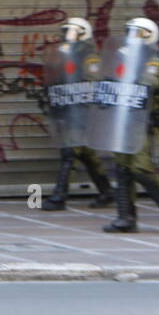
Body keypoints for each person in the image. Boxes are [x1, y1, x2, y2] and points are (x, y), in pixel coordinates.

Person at [96, 17, 159, 233]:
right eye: (129, 32)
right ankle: (125, 218)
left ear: (149, 35)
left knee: (140, 169)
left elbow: (148, 84)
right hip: (122, 119)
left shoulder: (154, 62)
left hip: (142, 122)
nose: (131, 37)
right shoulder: (123, 59)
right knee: (122, 169)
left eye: (137, 33)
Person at [39, 16, 114, 211]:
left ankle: (59, 197)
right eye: (65, 31)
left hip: (84, 113)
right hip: (71, 110)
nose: (66, 35)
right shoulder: (68, 54)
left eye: (70, 31)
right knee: (86, 154)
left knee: (69, 152)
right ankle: (106, 191)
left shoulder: (89, 57)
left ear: (83, 33)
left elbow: (92, 83)